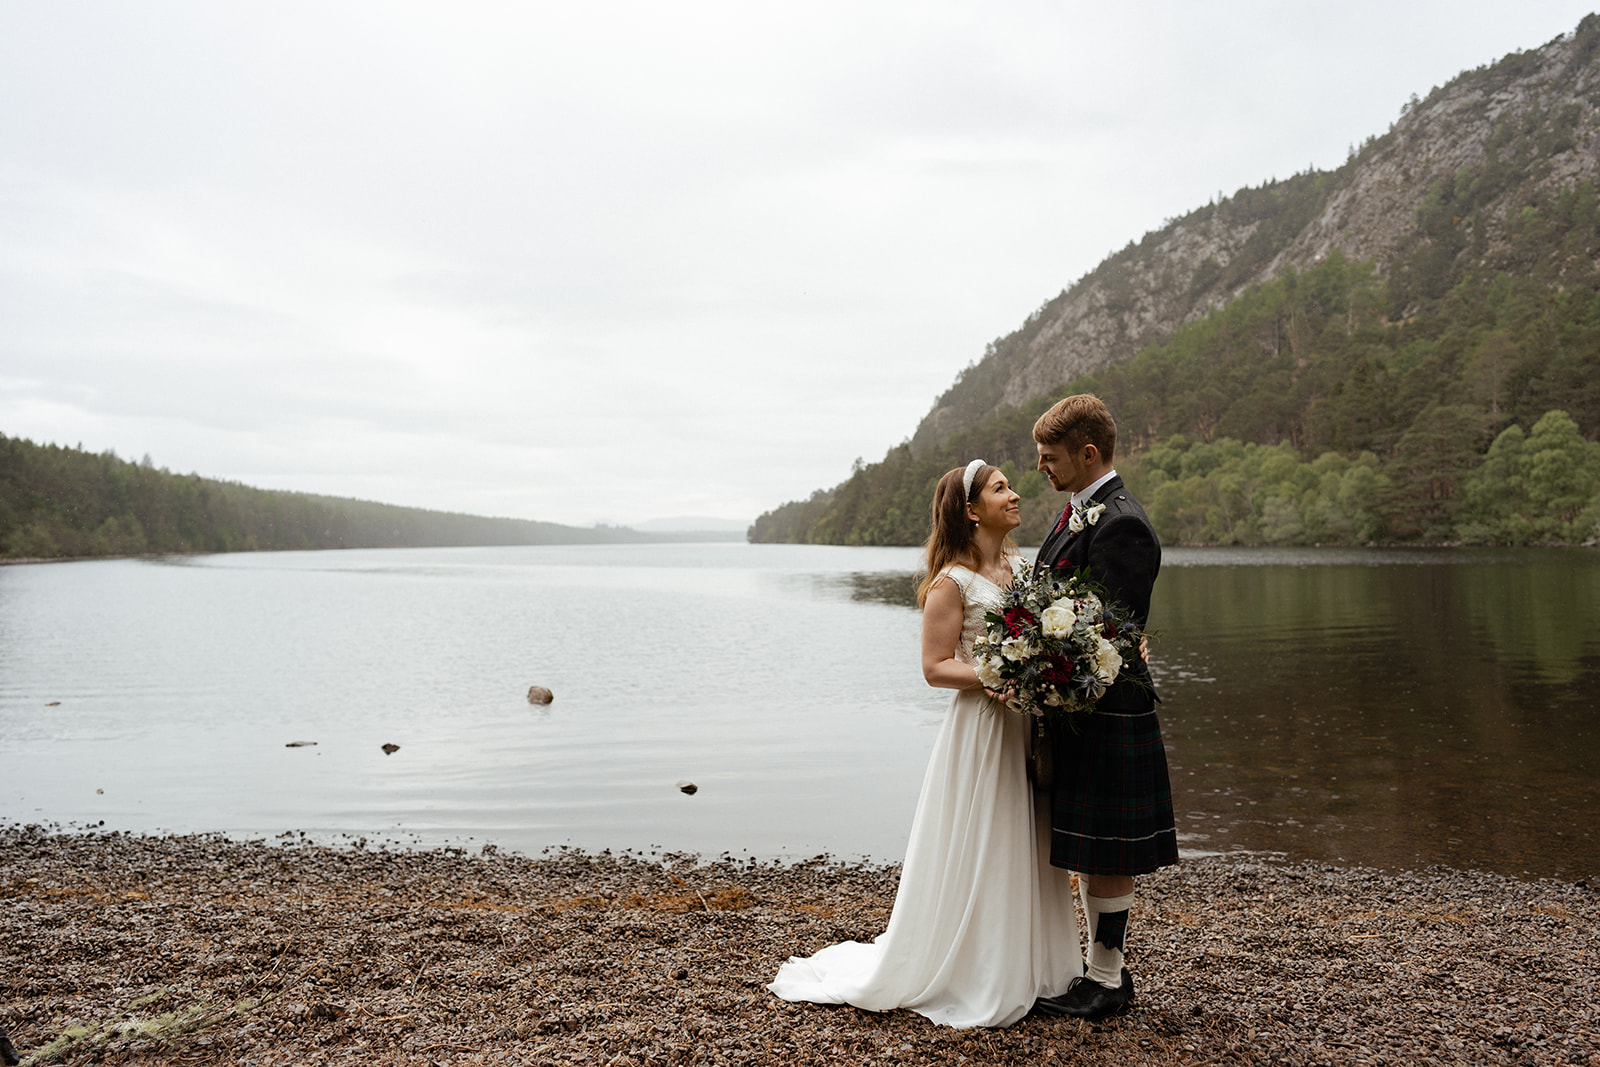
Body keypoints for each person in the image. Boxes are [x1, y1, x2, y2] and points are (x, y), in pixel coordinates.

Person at [768, 460, 1081, 1028]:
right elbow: (935, 668)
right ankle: (980, 969)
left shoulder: (1021, 569)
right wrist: (999, 676)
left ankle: (1033, 965)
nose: (1015, 495)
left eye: (1010, 486)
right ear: (970, 509)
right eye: (1001, 488)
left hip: (1025, 726)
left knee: (1028, 840)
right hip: (983, 730)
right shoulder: (950, 583)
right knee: (987, 840)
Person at [1029, 394, 1178, 1021]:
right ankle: (1102, 973)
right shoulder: (1075, 515)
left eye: (1051, 457)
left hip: (1108, 708)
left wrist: (1042, 664)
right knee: (1093, 849)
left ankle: (1109, 979)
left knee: (1109, 849)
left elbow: (1110, 634)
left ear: (1088, 454)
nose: (1041, 467)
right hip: (1081, 710)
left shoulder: (1121, 523)